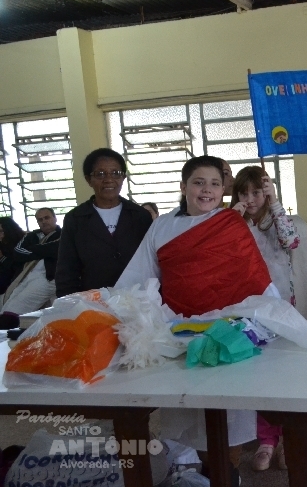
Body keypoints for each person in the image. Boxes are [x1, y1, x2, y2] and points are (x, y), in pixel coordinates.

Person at [115, 155, 276, 484]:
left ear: (223, 189)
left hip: (228, 332)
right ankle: (201, 471)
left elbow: (254, 277)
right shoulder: (161, 226)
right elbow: (140, 275)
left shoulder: (231, 223)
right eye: (199, 182)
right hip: (178, 330)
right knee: (187, 408)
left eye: (215, 184)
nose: (207, 190)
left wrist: (274, 313)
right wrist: (122, 311)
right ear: (183, 186)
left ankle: (227, 473)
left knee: (228, 412)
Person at [230, 166, 299, 472]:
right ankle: (266, 440)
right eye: (244, 193)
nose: (251, 199)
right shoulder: (235, 222)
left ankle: (287, 440)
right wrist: (231, 218)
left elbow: (292, 241)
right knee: (257, 371)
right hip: (247, 306)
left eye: (256, 192)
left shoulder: (276, 218)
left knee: (285, 372)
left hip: (281, 304)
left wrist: (275, 202)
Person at [55, 148, 153, 297]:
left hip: (137, 298)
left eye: (115, 173)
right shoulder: (75, 219)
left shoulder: (140, 216)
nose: (109, 179)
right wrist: (69, 303)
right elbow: (67, 269)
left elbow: (152, 261)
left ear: (123, 177)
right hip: (94, 300)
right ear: (89, 180)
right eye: (100, 174)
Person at [0, 208, 61, 329]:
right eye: (40, 220)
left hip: (49, 277)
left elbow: (57, 249)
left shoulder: (64, 234)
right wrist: (44, 250)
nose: (44, 222)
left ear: (55, 218)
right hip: (26, 275)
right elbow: (17, 253)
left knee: (14, 309)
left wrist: (33, 249)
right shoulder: (32, 236)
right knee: (6, 306)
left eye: (47, 218)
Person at [0, 217, 25, 295]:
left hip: (12, 285)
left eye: (1, 231)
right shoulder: (3, 245)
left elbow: (16, 270)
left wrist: (2, 258)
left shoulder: (20, 246)